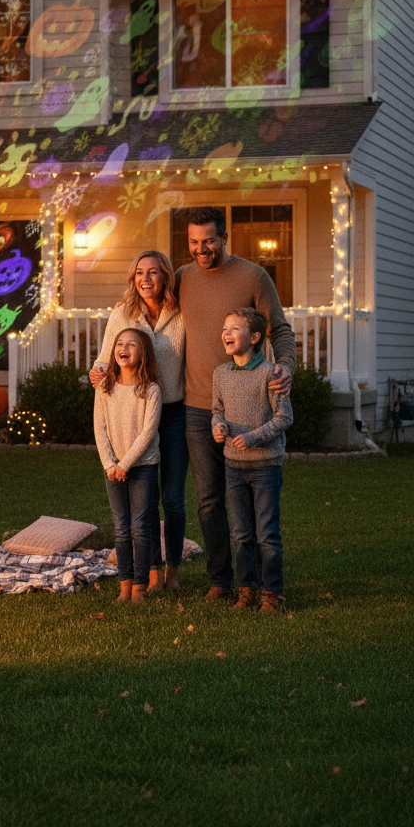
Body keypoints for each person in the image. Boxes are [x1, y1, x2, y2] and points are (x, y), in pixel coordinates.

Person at [175, 206, 295, 602]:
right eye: (193, 242)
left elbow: (278, 327)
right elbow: (142, 312)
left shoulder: (252, 276)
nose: (201, 249)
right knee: (209, 500)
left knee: (253, 507)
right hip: (198, 407)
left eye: (208, 240)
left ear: (224, 237)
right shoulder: (182, 278)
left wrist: (286, 367)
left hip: (249, 408)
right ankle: (222, 580)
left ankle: (263, 583)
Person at [90, 250, 187, 592]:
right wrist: (97, 371)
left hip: (173, 412)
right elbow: (106, 357)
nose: (146, 279)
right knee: (142, 502)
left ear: (165, 278)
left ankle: (173, 570)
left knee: (172, 498)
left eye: (154, 272)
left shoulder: (181, 312)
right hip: (133, 411)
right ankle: (152, 573)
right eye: (139, 273)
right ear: (133, 279)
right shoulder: (122, 313)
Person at [212, 308, 293, 612]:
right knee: (242, 533)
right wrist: (217, 427)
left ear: (255, 337)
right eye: (225, 328)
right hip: (233, 466)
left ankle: (272, 593)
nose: (227, 333)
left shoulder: (271, 374)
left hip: (265, 468)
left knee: (267, 534)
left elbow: (284, 417)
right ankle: (246, 591)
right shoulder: (221, 374)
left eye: (235, 328)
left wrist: (253, 438)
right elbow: (217, 410)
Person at [93, 328, 163, 603]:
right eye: (119, 343)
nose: (124, 348)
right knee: (121, 528)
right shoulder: (104, 387)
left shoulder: (151, 390)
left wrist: (125, 464)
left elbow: (148, 432)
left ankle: (139, 588)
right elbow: (99, 428)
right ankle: (124, 586)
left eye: (131, 344)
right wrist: (111, 464)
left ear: (142, 352)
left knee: (140, 527)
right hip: (112, 468)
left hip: (143, 465)